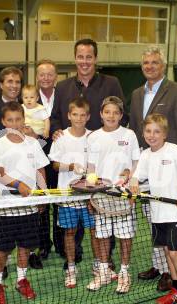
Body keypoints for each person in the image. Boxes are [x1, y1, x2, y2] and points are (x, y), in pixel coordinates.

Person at [51, 39, 126, 268]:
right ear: (75, 59)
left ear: (95, 58)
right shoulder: (63, 87)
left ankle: (105, 257)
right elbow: (55, 116)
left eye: (89, 57)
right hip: (72, 161)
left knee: (101, 213)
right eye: (80, 57)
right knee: (72, 221)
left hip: (101, 163)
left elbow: (123, 114)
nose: (84, 61)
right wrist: (55, 130)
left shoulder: (111, 83)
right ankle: (72, 258)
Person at [129, 45, 177, 292]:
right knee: (153, 219)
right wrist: (135, 167)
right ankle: (159, 266)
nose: (150, 66)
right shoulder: (136, 94)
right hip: (146, 165)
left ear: (163, 65)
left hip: (170, 170)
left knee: (167, 221)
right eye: (146, 62)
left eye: (154, 62)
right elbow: (136, 130)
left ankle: (170, 274)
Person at [130, 113, 177, 304]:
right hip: (157, 213)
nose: (152, 135)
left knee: (176, 254)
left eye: (157, 131)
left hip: (176, 213)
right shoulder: (145, 155)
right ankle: (176, 289)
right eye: (148, 131)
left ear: (164, 134)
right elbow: (137, 175)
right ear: (143, 133)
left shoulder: (174, 151)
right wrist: (133, 181)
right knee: (168, 253)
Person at [0, 101, 49, 304]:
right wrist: (19, 184)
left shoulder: (33, 143)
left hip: (30, 206)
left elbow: (40, 170)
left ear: (24, 119)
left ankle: (21, 280)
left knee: (25, 246)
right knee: (3, 249)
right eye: (10, 120)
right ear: (3, 122)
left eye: (18, 119)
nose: (14, 124)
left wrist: (43, 194)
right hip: (6, 207)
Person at [86, 96, 140, 294]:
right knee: (102, 236)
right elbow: (90, 170)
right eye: (107, 112)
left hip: (123, 195)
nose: (111, 116)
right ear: (101, 114)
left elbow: (136, 164)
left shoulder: (130, 135)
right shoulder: (93, 137)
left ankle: (124, 273)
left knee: (125, 236)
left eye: (115, 112)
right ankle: (103, 271)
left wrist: (132, 185)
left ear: (121, 115)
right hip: (101, 195)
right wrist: (89, 195)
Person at [48, 97, 100, 288]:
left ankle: (98, 265)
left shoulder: (93, 137)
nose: (79, 118)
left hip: (89, 195)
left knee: (95, 231)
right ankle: (71, 267)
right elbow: (54, 165)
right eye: (75, 115)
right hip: (68, 195)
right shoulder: (60, 138)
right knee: (70, 232)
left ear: (88, 117)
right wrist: (70, 166)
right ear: (69, 116)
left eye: (82, 115)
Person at [35, 59, 61, 260]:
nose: (45, 78)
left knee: (60, 203)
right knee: (42, 204)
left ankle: (61, 244)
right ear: (37, 77)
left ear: (56, 77)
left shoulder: (64, 95)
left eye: (49, 74)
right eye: (42, 74)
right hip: (37, 162)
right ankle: (44, 244)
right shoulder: (28, 99)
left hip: (59, 161)